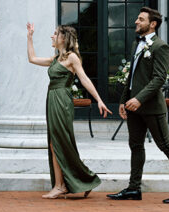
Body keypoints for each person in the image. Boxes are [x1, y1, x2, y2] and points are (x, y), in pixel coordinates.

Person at [107, 7, 169, 204]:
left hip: (152, 107)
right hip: (133, 108)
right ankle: (133, 188)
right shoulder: (137, 45)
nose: (136, 22)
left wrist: (139, 98)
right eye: (137, 18)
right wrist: (123, 100)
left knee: (165, 145)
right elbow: (131, 77)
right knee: (135, 145)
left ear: (152, 24)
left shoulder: (160, 47)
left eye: (141, 19)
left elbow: (158, 79)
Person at [26, 23, 110, 199]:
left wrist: (99, 100)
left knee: (59, 142)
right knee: (54, 142)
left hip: (62, 102)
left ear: (63, 38)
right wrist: (30, 37)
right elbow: (32, 59)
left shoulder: (72, 58)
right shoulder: (56, 58)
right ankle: (71, 182)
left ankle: (61, 185)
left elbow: (85, 79)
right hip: (52, 100)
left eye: (55, 33)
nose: (52, 36)